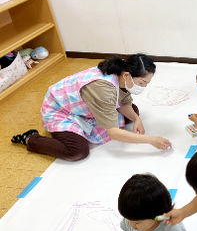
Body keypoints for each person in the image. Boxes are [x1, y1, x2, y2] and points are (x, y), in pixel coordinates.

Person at [11, 54, 171, 161]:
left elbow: (124, 100)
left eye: (146, 83)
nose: (143, 87)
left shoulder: (121, 73)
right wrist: (151, 140)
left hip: (86, 105)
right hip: (61, 111)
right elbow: (114, 133)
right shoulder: (104, 88)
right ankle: (31, 139)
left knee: (133, 111)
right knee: (77, 151)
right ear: (127, 75)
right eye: (142, 83)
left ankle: (126, 118)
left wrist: (137, 119)